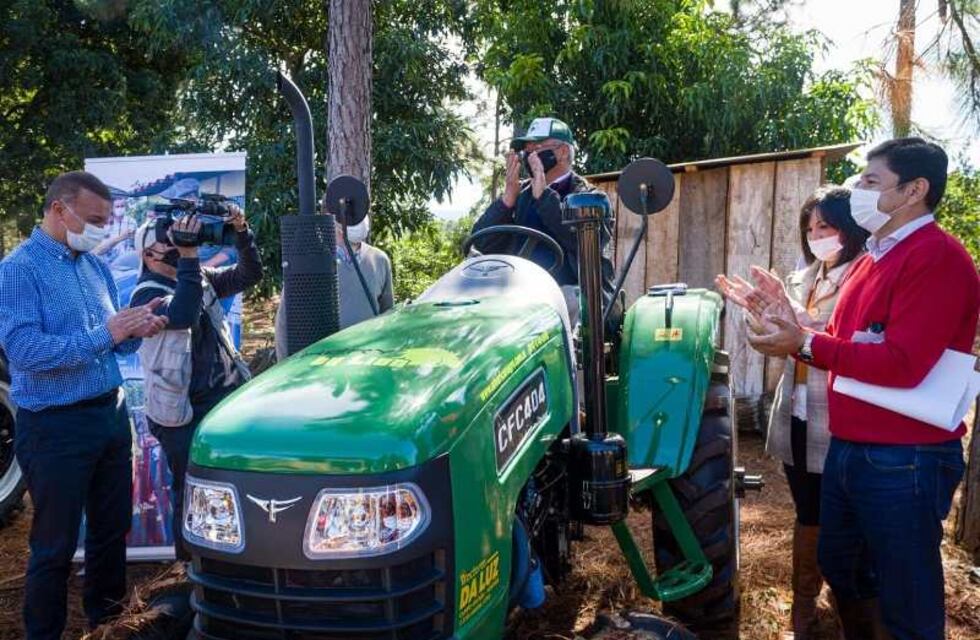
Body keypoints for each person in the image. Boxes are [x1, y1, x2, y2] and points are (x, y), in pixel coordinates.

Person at [721, 138, 979, 640]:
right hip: (853, 446)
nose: (858, 190)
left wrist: (806, 344)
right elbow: (840, 341)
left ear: (914, 190)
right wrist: (789, 320)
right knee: (843, 568)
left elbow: (903, 365)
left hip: (906, 458)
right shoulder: (871, 260)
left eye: (870, 181)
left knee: (906, 596)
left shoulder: (938, 258)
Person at [0, 171, 167, 640]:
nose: (101, 228)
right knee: (53, 548)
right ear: (59, 209)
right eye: (94, 219)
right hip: (55, 429)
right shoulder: (19, 269)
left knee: (111, 535)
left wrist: (133, 332)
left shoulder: (93, 267)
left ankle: (110, 625)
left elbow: (112, 346)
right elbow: (25, 352)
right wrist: (107, 334)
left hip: (109, 417)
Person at [718, 186, 869, 639]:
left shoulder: (864, 277)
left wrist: (791, 326)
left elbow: (839, 339)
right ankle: (803, 604)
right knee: (807, 511)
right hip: (798, 412)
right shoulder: (803, 278)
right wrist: (759, 318)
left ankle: (847, 605)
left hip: (839, 415)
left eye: (825, 225)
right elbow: (775, 340)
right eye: (810, 228)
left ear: (851, 226)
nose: (817, 235)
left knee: (844, 516)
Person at [131, 206, 262, 560]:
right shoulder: (146, 295)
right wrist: (189, 257)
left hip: (224, 402)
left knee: (232, 489)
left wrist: (240, 230)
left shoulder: (196, 276)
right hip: (184, 414)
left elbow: (249, 275)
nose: (181, 247)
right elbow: (183, 313)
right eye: (172, 243)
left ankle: (229, 562)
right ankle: (191, 570)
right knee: (192, 495)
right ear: (149, 254)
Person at [471, 117, 617, 330]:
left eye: (537, 149)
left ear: (563, 152)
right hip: (516, 294)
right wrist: (506, 201)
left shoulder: (590, 197)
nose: (530, 157)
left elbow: (585, 245)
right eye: (527, 151)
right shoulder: (520, 194)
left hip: (568, 295)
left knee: (567, 301)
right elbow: (481, 243)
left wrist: (544, 196)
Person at [274, 214, 393, 361]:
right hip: (322, 362)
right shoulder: (311, 262)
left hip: (366, 360)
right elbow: (284, 322)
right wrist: (285, 366)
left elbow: (388, 317)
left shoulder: (379, 260)